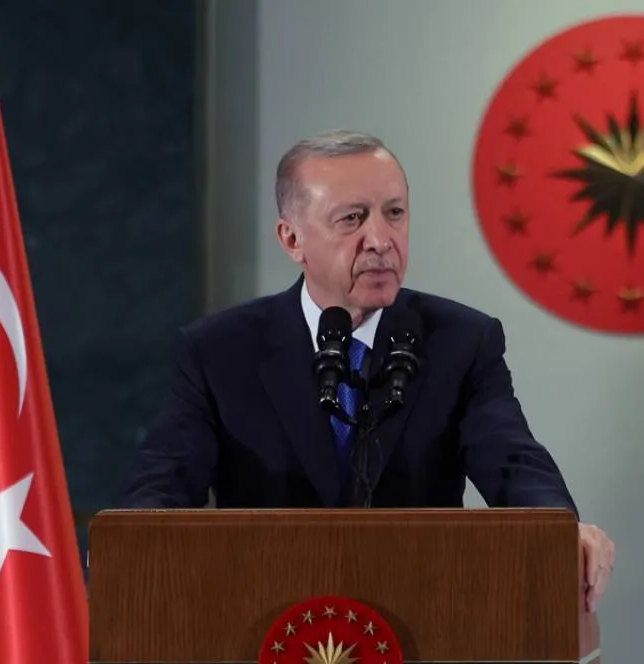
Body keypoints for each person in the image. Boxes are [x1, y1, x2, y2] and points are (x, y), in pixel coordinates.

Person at [125, 129, 616, 611]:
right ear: (292, 238)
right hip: (265, 624)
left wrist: (559, 529)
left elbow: (511, 459)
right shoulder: (219, 351)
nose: (380, 240)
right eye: (352, 218)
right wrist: (132, 548)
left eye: (394, 213)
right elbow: (165, 481)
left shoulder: (461, 341)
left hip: (423, 623)